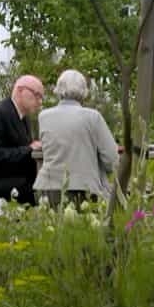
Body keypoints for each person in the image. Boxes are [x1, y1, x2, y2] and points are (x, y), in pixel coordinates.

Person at [33, 69, 119, 207]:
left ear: (58, 89)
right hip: (84, 189)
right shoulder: (93, 117)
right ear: (84, 91)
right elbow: (112, 159)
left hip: (48, 187)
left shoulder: (44, 116)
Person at [0, 75, 45, 206]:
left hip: (10, 177)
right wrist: (30, 149)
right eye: (36, 95)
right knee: (37, 189)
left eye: (41, 97)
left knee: (45, 182)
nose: (40, 102)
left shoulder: (24, 118)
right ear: (20, 90)